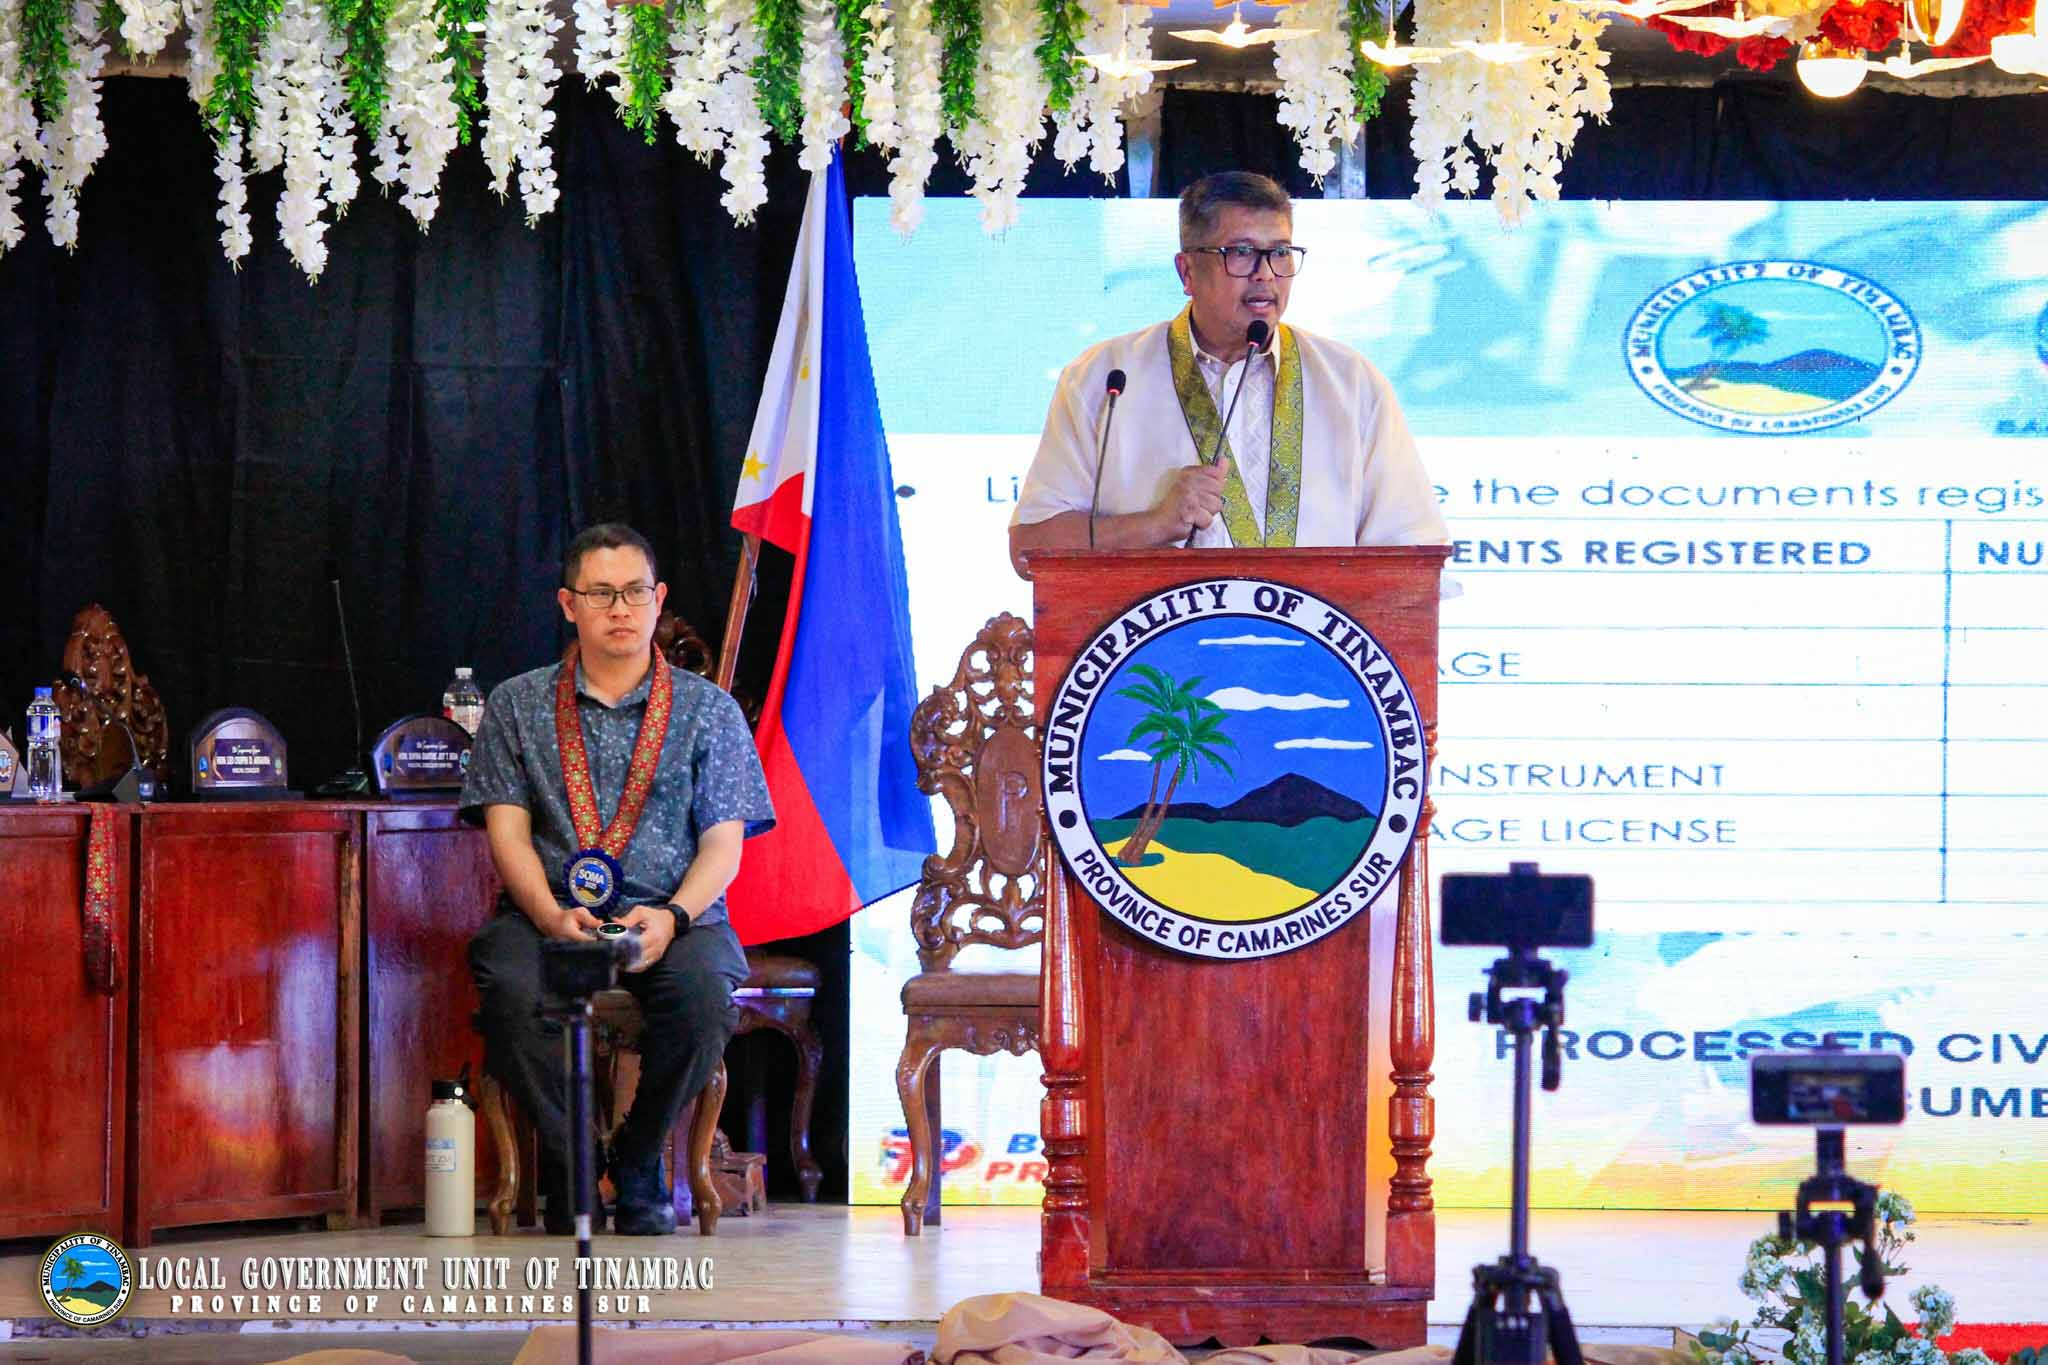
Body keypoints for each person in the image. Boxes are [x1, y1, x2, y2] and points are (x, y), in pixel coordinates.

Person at [461, 522, 774, 1236]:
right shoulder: (517, 704)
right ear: (568, 604)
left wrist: (674, 917)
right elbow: (507, 834)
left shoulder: (708, 711)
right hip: (550, 916)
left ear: (658, 599)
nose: (620, 609)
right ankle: (573, 1165)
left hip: (671, 916)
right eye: (601, 593)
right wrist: (549, 915)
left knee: (704, 998)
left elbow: (723, 845)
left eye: (635, 592)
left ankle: (638, 1158)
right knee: (508, 984)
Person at [1008, 171, 1448, 576]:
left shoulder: (1351, 383)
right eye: (1240, 253)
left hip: (1312, 639)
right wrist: (1154, 525)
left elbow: (1414, 555)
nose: (1265, 275)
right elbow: (1029, 548)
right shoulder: (1105, 378)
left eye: (1280, 253)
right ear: (1187, 271)